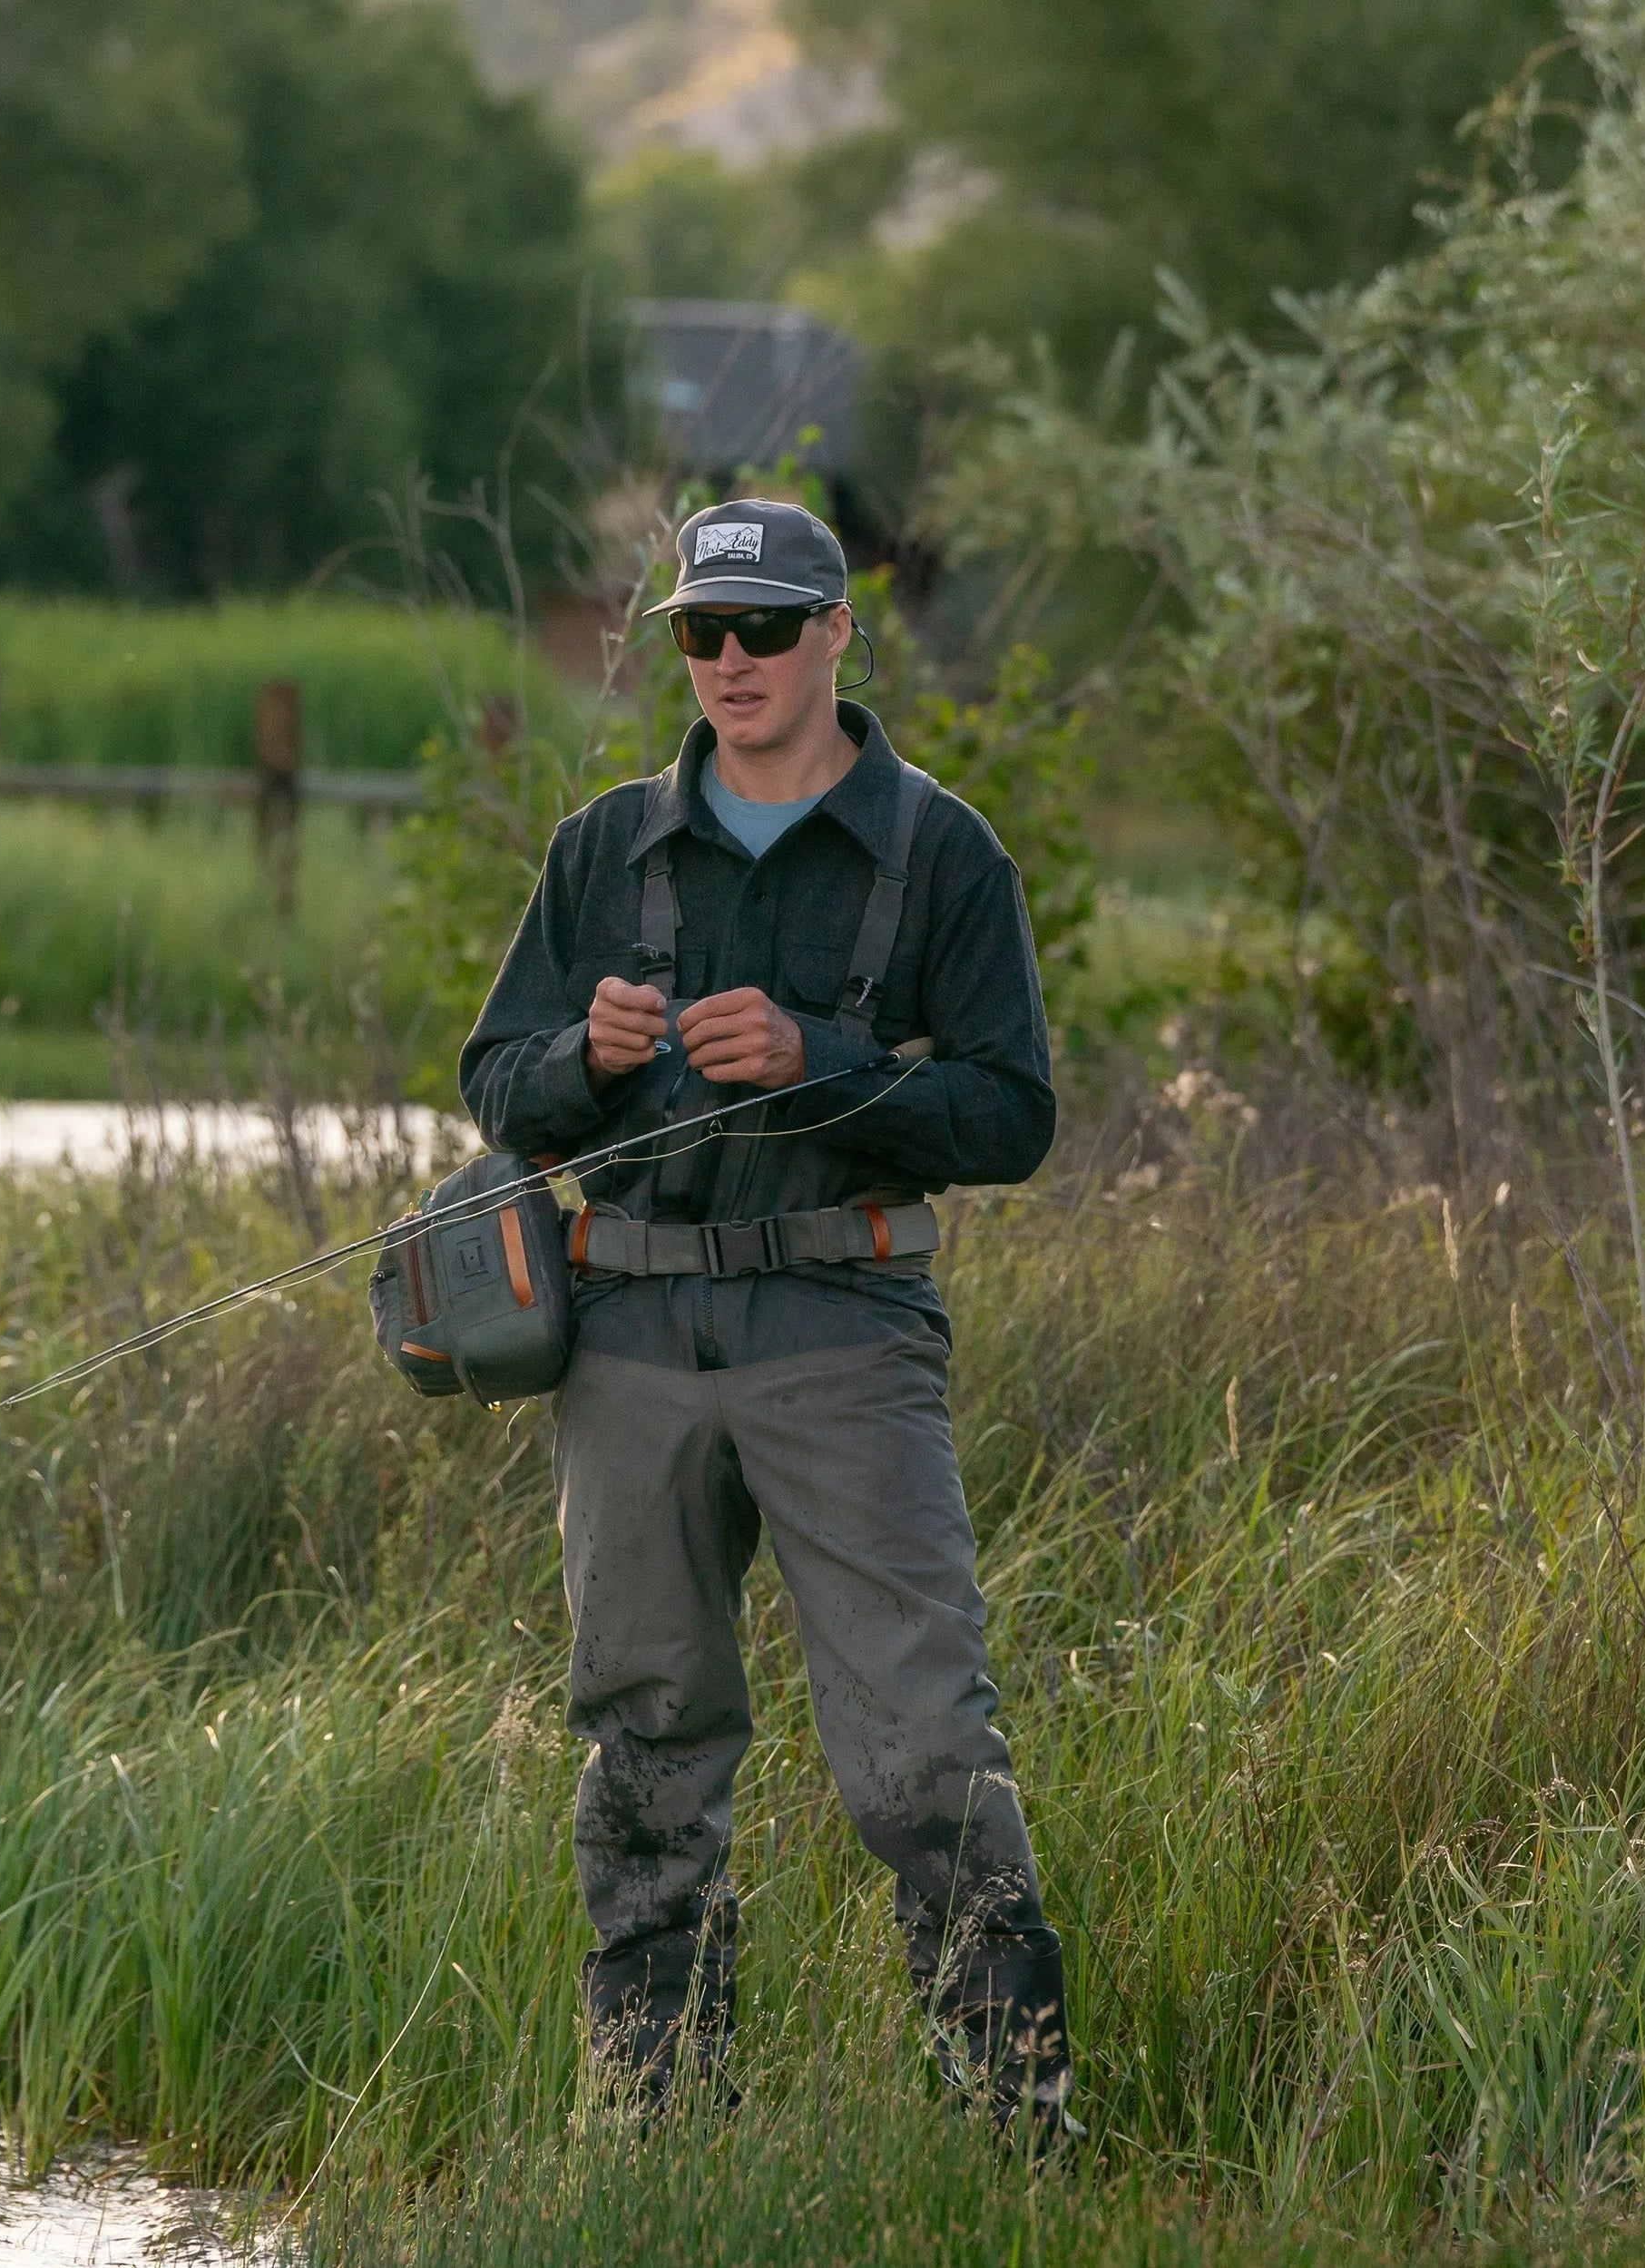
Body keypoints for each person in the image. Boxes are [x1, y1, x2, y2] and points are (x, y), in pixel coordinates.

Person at [459, 498, 1079, 2138]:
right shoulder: (601, 847)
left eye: (766, 629)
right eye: (700, 633)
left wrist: (829, 1068)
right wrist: (582, 1061)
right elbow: (497, 1085)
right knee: (647, 1739)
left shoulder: (944, 851)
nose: (731, 662)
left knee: (927, 1743)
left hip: (846, 1332)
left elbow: (1014, 1115)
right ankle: (655, 2125)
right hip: (626, 1342)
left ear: (836, 634)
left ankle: (1012, 2124)